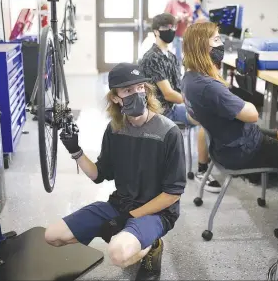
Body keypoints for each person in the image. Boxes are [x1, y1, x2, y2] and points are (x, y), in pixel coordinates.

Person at [45, 63, 187, 281]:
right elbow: (98, 175)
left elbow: (173, 194)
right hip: (119, 204)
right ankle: (127, 236)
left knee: (118, 254)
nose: (137, 94)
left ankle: (152, 245)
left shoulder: (169, 132)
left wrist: (128, 218)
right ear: (115, 97)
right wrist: (76, 151)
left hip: (156, 212)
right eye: (128, 91)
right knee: (53, 236)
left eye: (140, 87)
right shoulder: (114, 129)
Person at [181, 22, 278, 173]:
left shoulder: (189, 78)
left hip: (231, 142)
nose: (221, 44)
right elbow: (252, 115)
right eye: (216, 40)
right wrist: (244, 103)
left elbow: (194, 117)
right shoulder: (209, 86)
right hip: (242, 150)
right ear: (202, 46)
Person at [139, 13, 222, 193]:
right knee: (206, 119)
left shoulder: (171, 56)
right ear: (155, 31)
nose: (170, 31)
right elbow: (169, 94)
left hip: (173, 107)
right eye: (165, 28)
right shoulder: (152, 58)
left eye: (172, 27)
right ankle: (202, 170)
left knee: (210, 114)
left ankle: (205, 165)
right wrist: (195, 98)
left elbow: (181, 88)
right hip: (160, 112)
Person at [164, 0, 193, 66]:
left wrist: (187, 18)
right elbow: (165, 18)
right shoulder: (171, 3)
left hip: (182, 36)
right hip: (172, 35)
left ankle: (178, 75)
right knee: (171, 56)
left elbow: (191, 19)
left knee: (180, 58)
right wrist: (176, 18)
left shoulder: (187, 6)